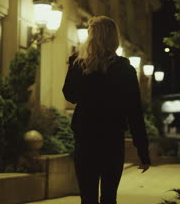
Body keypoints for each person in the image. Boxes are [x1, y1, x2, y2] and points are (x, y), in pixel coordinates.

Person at [62, 16, 151, 204]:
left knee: (88, 198)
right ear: (114, 38)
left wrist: (76, 66)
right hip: (112, 140)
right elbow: (134, 111)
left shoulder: (80, 64)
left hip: (86, 138)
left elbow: (70, 95)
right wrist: (142, 151)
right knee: (109, 198)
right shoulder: (124, 68)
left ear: (91, 37)